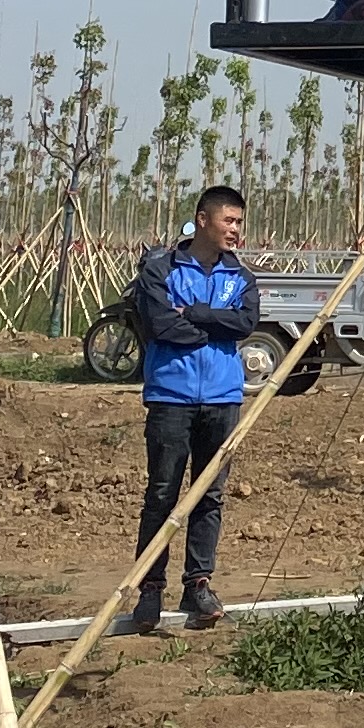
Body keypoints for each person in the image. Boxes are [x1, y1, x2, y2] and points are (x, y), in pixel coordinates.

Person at [119, 184, 257, 635]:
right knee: (161, 494)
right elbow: (160, 325)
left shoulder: (242, 278)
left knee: (209, 496)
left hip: (222, 398)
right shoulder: (160, 270)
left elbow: (246, 324)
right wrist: (213, 327)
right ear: (203, 220)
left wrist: (195, 314)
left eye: (238, 222)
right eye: (229, 221)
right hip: (170, 397)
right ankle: (150, 588)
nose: (236, 230)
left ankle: (198, 583)